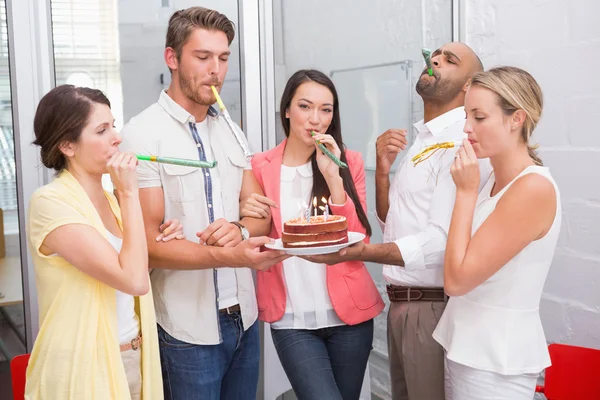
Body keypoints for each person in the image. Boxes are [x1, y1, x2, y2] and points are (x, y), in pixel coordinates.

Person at [118, 7, 288, 400]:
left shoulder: (232, 130)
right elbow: (149, 247)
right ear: (172, 58)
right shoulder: (141, 135)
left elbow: (259, 215)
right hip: (185, 330)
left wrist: (241, 230)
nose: (216, 70)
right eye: (203, 56)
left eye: (223, 57)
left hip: (243, 320)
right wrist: (235, 254)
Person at [305, 42, 492, 399]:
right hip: (404, 307)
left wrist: (356, 252)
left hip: (431, 308)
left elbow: (439, 243)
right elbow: (397, 223)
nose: (435, 59)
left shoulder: (461, 143)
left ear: (469, 86)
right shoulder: (426, 140)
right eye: (435, 54)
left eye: (450, 60)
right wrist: (383, 174)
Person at [25, 85, 184, 399]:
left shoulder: (111, 202)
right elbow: (133, 280)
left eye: (114, 125)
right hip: (83, 364)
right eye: (102, 130)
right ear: (67, 145)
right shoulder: (51, 203)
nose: (117, 137)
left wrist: (162, 238)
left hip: (132, 352)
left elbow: (134, 269)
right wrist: (128, 193)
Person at [241, 69, 384, 400]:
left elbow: (358, 237)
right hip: (291, 316)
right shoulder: (258, 167)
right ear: (287, 109)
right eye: (305, 107)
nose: (315, 119)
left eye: (326, 109)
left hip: (350, 314)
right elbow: (255, 229)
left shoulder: (350, 161)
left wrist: (333, 177)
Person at [433, 66, 560, 400]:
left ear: (516, 119)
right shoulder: (492, 179)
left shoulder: (532, 188)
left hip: (495, 361)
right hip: (466, 348)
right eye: (466, 115)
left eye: (479, 117)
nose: (466, 127)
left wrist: (464, 192)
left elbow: (457, 281)